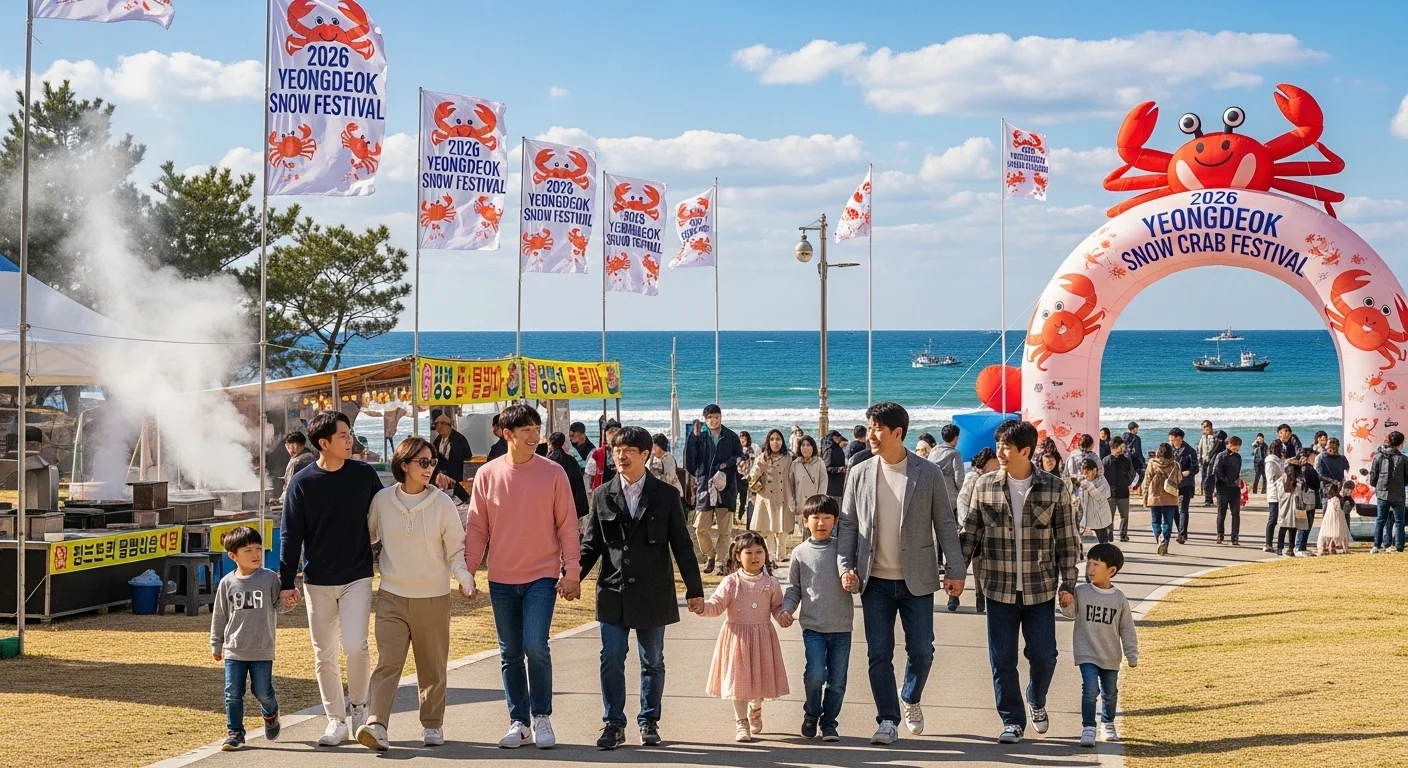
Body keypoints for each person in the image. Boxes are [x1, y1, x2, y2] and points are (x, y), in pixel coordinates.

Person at [838, 402, 965, 745]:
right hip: (874, 580)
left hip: (917, 579)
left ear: (898, 432)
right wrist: (845, 566)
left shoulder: (928, 472)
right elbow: (848, 524)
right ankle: (888, 719)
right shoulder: (859, 472)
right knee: (878, 653)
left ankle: (910, 695)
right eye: (869, 427)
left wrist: (956, 569)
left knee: (922, 651)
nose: (871, 434)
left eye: (878, 428)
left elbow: (945, 524)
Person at [463, 404, 581, 750]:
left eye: (536, 429)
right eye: (526, 430)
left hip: (542, 575)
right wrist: (468, 571)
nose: (534, 436)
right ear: (507, 434)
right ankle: (519, 722)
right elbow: (477, 527)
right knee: (510, 652)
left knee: (535, 645)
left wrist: (572, 571)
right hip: (501, 577)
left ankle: (541, 716)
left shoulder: (553, 472)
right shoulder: (487, 474)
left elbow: (568, 525)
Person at [578, 426, 704, 750]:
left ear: (646, 455)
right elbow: (591, 546)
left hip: (653, 591)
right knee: (611, 656)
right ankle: (613, 723)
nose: (621, 456)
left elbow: (682, 546)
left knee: (652, 660)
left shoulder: (666, 495)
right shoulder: (602, 494)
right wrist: (571, 577)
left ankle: (649, 720)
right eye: (617, 450)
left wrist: (694, 590)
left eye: (629, 451)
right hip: (613, 589)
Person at [961, 419, 1080, 744]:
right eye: (998, 445)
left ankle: (1036, 698)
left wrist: (1068, 584)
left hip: (1039, 587)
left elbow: (1067, 540)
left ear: (1025, 451)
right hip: (997, 587)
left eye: (1006, 447)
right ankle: (1012, 721)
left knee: (1044, 655)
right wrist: (957, 572)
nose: (999, 451)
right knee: (1002, 660)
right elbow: (970, 532)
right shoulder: (984, 485)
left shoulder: (1054, 487)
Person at [357, 436, 474, 752]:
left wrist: (465, 578)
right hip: (391, 596)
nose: (429, 467)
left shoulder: (442, 503)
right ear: (403, 464)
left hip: (433, 597)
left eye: (432, 462)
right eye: (422, 462)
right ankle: (377, 725)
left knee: (432, 665)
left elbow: (455, 550)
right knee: (388, 663)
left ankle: (432, 723)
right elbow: (367, 537)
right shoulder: (382, 501)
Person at [279, 411, 384, 746]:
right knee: (324, 653)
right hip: (317, 579)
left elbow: (385, 515)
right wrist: (286, 582)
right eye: (343, 436)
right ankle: (335, 720)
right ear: (324, 443)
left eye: (349, 433)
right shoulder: (302, 482)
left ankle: (360, 708)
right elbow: (290, 535)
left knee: (355, 646)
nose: (350, 440)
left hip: (357, 575)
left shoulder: (364, 475)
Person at [697, 530, 789, 744]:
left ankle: (755, 708)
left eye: (759, 552)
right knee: (738, 682)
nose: (755, 556)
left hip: (762, 639)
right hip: (736, 639)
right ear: (738, 556)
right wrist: (702, 608)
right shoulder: (731, 582)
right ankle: (741, 722)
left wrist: (783, 616)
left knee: (759, 681)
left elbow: (777, 607)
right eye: (749, 552)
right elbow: (716, 605)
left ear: (765, 554)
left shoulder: (771, 583)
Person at [211, 526, 291, 752]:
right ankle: (235, 733)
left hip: (262, 648)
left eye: (258, 548)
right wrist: (216, 643)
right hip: (234, 649)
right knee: (232, 693)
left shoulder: (269, 578)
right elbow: (220, 615)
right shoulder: (227, 583)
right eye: (248, 550)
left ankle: (271, 714)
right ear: (233, 556)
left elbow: (278, 606)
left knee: (262, 691)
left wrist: (289, 602)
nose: (256, 554)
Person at [779, 495, 852, 742]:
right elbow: (794, 588)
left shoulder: (843, 550)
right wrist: (787, 609)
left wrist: (853, 582)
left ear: (836, 521)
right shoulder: (800, 553)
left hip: (841, 627)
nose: (821, 523)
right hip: (813, 627)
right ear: (805, 521)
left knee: (837, 681)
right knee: (815, 674)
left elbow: (855, 581)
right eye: (816, 518)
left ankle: (829, 723)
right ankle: (811, 713)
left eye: (827, 518)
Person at [1059, 542, 1138, 748]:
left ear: (1111, 571)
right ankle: (1088, 727)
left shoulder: (1119, 599)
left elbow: (1127, 628)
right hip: (1086, 652)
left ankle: (1108, 723)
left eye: (1096, 565)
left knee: (1110, 692)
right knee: (1090, 689)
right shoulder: (1081, 591)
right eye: (1089, 564)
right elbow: (1070, 614)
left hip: (1110, 655)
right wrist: (1065, 603)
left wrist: (1131, 654)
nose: (1090, 569)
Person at [686, 405, 744, 574]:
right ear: (705, 419)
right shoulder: (701, 437)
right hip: (705, 486)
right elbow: (691, 462)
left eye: (716, 416)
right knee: (700, 528)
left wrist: (726, 466)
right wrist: (693, 438)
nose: (713, 420)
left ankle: (720, 562)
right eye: (710, 417)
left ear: (721, 417)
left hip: (727, 487)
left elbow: (740, 456)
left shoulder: (731, 436)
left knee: (725, 530)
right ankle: (711, 555)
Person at [955, 448, 999, 614]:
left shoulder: (993, 479)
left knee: (980, 564)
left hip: (985, 529)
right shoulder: (973, 477)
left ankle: (980, 596)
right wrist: (966, 522)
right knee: (963, 562)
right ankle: (954, 594)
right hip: (970, 528)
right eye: (993, 463)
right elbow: (962, 500)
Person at [748, 429, 794, 561]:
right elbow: (752, 476)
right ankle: (771, 554)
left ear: (782, 441)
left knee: (783, 527)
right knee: (766, 527)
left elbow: (792, 476)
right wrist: (756, 469)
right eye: (772, 439)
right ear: (768, 442)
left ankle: (782, 554)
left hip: (783, 495)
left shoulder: (788, 457)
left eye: (778, 439)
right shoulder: (762, 457)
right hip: (766, 497)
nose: (775, 442)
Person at [1369, 431, 1408, 553]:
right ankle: (1399, 546)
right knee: (1399, 521)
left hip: (1382, 492)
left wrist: (1378, 485)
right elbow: (1407, 479)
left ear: (1389, 441)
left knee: (1380, 519)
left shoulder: (1378, 456)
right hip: (1398, 494)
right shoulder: (1404, 459)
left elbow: (1373, 476)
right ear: (1401, 444)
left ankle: (1376, 545)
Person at [1143, 443, 1181, 556]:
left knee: (1156, 521)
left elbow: (1147, 480)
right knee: (1168, 522)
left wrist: (1145, 495)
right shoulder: (1174, 464)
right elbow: (1179, 479)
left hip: (1155, 495)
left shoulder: (1152, 463)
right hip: (1170, 496)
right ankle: (1165, 542)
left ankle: (1159, 541)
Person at [788, 435, 827, 538]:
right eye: (803, 445)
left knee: (815, 534)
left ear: (813, 447)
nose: (805, 448)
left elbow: (823, 483)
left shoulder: (819, 462)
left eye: (808, 445)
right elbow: (790, 485)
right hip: (800, 504)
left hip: (815, 505)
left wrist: (819, 502)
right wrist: (792, 503)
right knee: (803, 535)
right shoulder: (795, 464)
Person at [431, 413, 473, 504]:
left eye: (437, 425)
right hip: (442, 475)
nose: (436, 429)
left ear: (445, 424)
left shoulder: (459, 439)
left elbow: (468, 455)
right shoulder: (438, 439)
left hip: (456, 474)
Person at [546, 432, 590, 519]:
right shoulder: (572, 461)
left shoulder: (546, 462)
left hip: (550, 507)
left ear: (550, 443)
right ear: (563, 443)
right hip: (568, 506)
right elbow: (578, 486)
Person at [1210, 436, 1244, 545]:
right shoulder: (1221, 456)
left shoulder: (1238, 457)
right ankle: (1220, 535)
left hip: (1235, 488)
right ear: (1228, 444)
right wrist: (1226, 481)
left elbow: (1238, 471)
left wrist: (1238, 481)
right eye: (1235, 446)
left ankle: (1235, 537)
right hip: (1222, 488)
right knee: (1221, 513)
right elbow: (1217, 471)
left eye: (1238, 446)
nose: (1236, 448)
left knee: (1236, 513)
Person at [1168, 428, 1199, 544]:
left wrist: (1189, 472)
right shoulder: (1168, 449)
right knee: (1174, 509)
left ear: (1179, 438)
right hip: (1172, 484)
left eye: (1172, 438)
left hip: (1186, 483)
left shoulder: (1190, 451)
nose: (1170, 440)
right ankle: (1180, 530)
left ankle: (1182, 534)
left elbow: (1196, 467)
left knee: (1183, 508)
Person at [1274, 461, 1311, 556]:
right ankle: (1291, 548)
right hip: (1298, 508)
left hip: (1284, 507)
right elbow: (1304, 493)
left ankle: (1280, 548)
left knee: (1283, 528)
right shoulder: (1300, 481)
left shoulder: (1282, 480)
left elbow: (1279, 493)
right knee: (1294, 529)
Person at [1102, 437, 1133, 542]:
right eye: (1121, 446)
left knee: (1124, 515)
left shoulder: (1126, 461)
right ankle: (1109, 535)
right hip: (1109, 494)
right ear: (1114, 447)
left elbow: (1131, 474)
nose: (1123, 449)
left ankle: (1123, 535)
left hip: (1123, 492)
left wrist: (1126, 483)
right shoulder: (1105, 461)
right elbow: (1102, 477)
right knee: (1109, 516)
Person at [1076, 458, 1112, 543]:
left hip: (1099, 517)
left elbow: (1104, 496)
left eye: (1087, 471)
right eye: (1083, 471)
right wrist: (1076, 499)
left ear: (1095, 470)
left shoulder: (1102, 481)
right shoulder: (1083, 481)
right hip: (1085, 517)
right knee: (1080, 542)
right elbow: (1079, 496)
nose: (1085, 474)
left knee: (1102, 542)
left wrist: (1090, 487)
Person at [1295, 448, 1322, 556]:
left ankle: (1299, 546)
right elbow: (1316, 484)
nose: (1315, 458)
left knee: (1301, 523)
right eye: (1313, 456)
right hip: (1308, 499)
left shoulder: (1297, 468)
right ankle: (1301, 547)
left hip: (1298, 499)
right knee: (1306, 524)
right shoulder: (1309, 469)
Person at [1262, 442, 1287, 553]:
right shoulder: (1270, 462)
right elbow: (1271, 478)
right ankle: (1268, 543)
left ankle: (1280, 544)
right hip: (1274, 493)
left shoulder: (1280, 460)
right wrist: (1283, 477)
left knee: (1283, 520)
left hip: (1282, 493)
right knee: (1273, 519)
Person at [1318, 481, 1354, 555]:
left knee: (1339, 531)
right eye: (1349, 490)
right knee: (1333, 531)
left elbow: (1350, 504)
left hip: (1337, 515)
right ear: (1344, 488)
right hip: (1333, 515)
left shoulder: (1343, 496)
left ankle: (1342, 549)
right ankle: (1324, 548)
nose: (1350, 492)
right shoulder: (1336, 496)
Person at [587, 420, 622, 491]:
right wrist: (590, 494)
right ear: (606, 435)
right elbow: (588, 476)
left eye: (616, 431)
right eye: (611, 431)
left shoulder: (626, 452)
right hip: (601, 492)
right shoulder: (596, 454)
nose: (614, 434)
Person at [282, 431, 317, 501]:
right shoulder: (312, 457)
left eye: (288, 445)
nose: (288, 448)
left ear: (297, 445)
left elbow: (290, 487)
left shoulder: (296, 462)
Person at [736, 430, 757, 525]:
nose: (743, 440)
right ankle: (735, 516)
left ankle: (741, 512)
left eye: (744, 438)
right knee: (734, 497)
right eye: (741, 438)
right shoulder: (736, 449)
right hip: (737, 476)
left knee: (744, 499)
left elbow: (754, 462)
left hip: (747, 477)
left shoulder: (751, 450)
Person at [822, 431, 848, 499]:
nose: (839, 439)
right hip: (832, 487)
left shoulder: (837, 448)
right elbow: (826, 468)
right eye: (837, 437)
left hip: (838, 484)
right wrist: (840, 469)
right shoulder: (830, 450)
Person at [1197, 420, 1216, 506]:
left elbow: (1214, 449)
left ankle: (1210, 498)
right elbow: (1199, 449)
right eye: (1203, 428)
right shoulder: (1203, 437)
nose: (1204, 429)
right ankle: (1207, 498)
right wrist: (1199, 459)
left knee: (1210, 480)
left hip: (1212, 462)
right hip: (1204, 461)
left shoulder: (1214, 437)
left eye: (1206, 427)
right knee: (1205, 480)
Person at [1121, 422, 1145, 492]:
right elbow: (1139, 452)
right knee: (1139, 473)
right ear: (1134, 429)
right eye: (1137, 428)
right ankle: (1136, 488)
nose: (1137, 430)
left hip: (1126, 458)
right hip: (1134, 459)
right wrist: (1143, 461)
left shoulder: (1124, 436)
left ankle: (1128, 488)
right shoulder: (1137, 438)